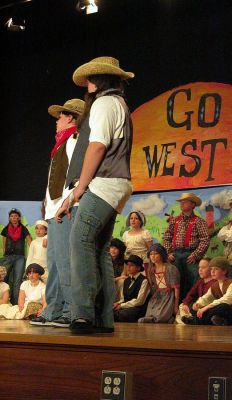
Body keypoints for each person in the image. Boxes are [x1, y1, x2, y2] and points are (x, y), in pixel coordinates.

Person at [59, 56, 134, 334]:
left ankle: (82, 314)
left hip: (105, 182)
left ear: (99, 80)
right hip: (118, 184)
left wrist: (79, 189)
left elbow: (98, 147)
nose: (87, 83)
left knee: (79, 242)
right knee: (99, 249)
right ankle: (103, 318)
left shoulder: (104, 103)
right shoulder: (121, 104)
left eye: (91, 78)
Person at [30, 98, 85, 328]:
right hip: (54, 211)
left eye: (60, 116)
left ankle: (71, 310)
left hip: (67, 209)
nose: (57, 121)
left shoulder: (75, 139)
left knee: (64, 262)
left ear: (70, 117)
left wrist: (70, 201)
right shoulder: (61, 143)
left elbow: (81, 174)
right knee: (53, 263)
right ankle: (53, 308)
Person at [163, 193, 210, 301]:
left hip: (191, 255)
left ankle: (191, 302)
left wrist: (195, 255)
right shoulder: (174, 220)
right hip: (175, 254)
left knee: (195, 277)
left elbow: (205, 240)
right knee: (174, 280)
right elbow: (167, 237)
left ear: (193, 205)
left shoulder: (199, 221)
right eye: (181, 202)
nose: (182, 204)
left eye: (185, 202)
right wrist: (168, 253)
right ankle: (174, 304)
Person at [182, 256, 232, 326]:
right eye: (211, 269)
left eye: (216, 269)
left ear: (224, 271)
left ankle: (198, 321)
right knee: (193, 307)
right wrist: (198, 304)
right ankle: (214, 321)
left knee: (223, 306)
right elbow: (206, 297)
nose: (212, 272)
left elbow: (225, 300)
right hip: (218, 315)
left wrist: (206, 307)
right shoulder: (215, 285)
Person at [139, 243, 180, 323]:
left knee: (160, 317)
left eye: (156, 254)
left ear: (161, 255)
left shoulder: (170, 268)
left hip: (169, 296)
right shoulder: (151, 270)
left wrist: (175, 306)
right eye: (151, 254)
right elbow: (153, 287)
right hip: (158, 295)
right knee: (151, 313)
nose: (153, 256)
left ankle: (169, 318)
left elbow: (176, 289)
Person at [1, 208, 32, 305]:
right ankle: (3, 301)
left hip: (20, 258)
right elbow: (4, 242)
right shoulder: (6, 229)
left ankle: (14, 303)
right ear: (9, 218)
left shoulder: (23, 228)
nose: (14, 218)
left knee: (17, 281)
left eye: (16, 216)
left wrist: (33, 252)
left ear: (19, 218)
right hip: (8, 257)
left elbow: (30, 241)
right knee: (2, 278)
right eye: (11, 216)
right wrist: (4, 254)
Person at [176, 257, 215, 324]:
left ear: (211, 269)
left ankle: (192, 319)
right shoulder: (200, 281)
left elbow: (210, 299)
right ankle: (189, 318)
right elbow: (191, 294)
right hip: (197, 306)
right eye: (199, 267)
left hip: (207, 306)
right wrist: (186, 304)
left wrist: (198, 304)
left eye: (203, 267)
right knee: (182, 305)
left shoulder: (215, 282)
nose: (200, 270)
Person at [113, 255, 150, 322]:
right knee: (110, 311)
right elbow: (123, 298)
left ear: (138, 268)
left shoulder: (144, 281)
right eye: (127, 265)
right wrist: (117, 303)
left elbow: (139, 301)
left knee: (122, 314)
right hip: (126, 306)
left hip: (138, 308)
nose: (128, 267)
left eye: (131, 265)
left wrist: (121, 306)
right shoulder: (126, 280)